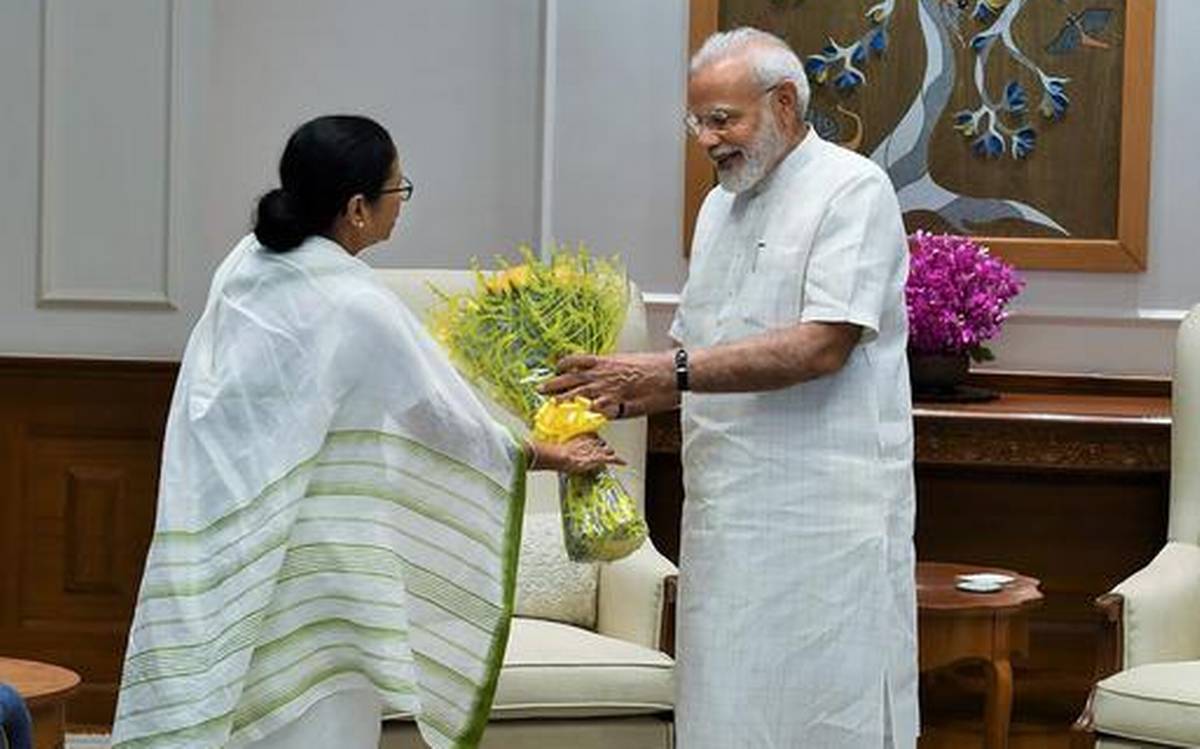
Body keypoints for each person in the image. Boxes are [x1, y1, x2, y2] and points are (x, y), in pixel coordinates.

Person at [110, 115, 620, 749]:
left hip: (227, 528)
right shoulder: (356, 302)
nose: (401, 206)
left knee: (238, 712)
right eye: (398, 191)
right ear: (356, 208)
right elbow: (441, 419)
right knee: (317, 711)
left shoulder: (244, 264)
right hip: (321, 556)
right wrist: (545, 454)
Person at [542, 28, 918, 749]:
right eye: (698, 122)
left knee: (823, 710)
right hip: (726, 514)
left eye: (724, 119)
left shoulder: (852, 190)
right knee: (724, 709)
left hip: (822, 523)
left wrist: (662, 373)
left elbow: (821, 345)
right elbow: (696, 349)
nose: (708, 140)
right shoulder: (720, 205)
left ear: (783, 103)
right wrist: (610, 396)